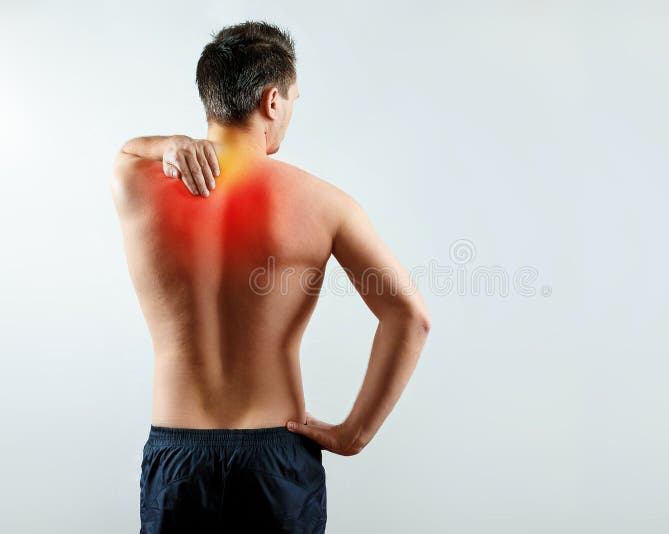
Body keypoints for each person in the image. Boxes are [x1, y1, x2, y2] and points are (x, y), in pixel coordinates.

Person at [111, 21, 431, 533]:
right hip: (274, 461)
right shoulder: (325, 204)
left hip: (177, 453)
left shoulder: (134, 181)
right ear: (272, 100)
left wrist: (166, 143)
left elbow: (127, 150)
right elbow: (410, 318)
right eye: (294, 99)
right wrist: (355, 434)